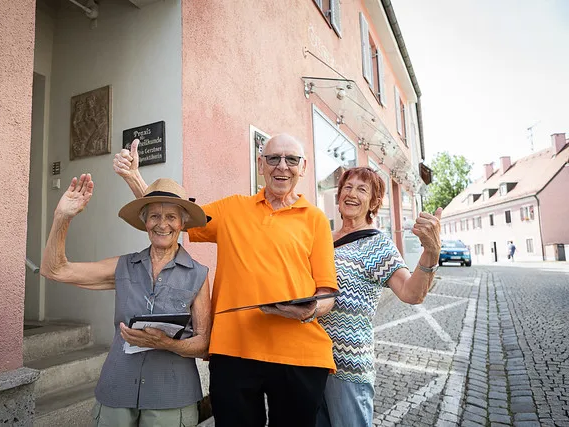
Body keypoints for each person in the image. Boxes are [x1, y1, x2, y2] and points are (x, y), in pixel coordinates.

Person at [114, 135, 338, 427]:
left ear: (303, 167)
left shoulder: (316, 219)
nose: (282, 166)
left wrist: (310, 310)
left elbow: (327, 293)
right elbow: (172, 217)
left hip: (299, 354)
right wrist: (135, 179)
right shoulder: (233, 208)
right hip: (234, 350)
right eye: (273, 158)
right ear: (261, 164)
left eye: (291, 159)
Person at [40, 173, 212, 427]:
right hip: (117, 389)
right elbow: (54, 270)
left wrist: (165, 343)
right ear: (145, 222)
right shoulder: (124, 266)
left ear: (182, 224)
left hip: (171, 396)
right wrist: (62, 217)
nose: (161, 224)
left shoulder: (198, 274)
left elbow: (204, 344)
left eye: (171, 217)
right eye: (154, 216)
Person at [316, 167, 442, 427]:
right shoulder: (322, 239)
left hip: (347, 366)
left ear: (373, 202)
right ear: (339, 196)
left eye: (362, 189)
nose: (352, 194)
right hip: (311, 361)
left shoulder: (377, 245)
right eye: (347, 188)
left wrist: (431, 251)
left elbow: (411, 293)